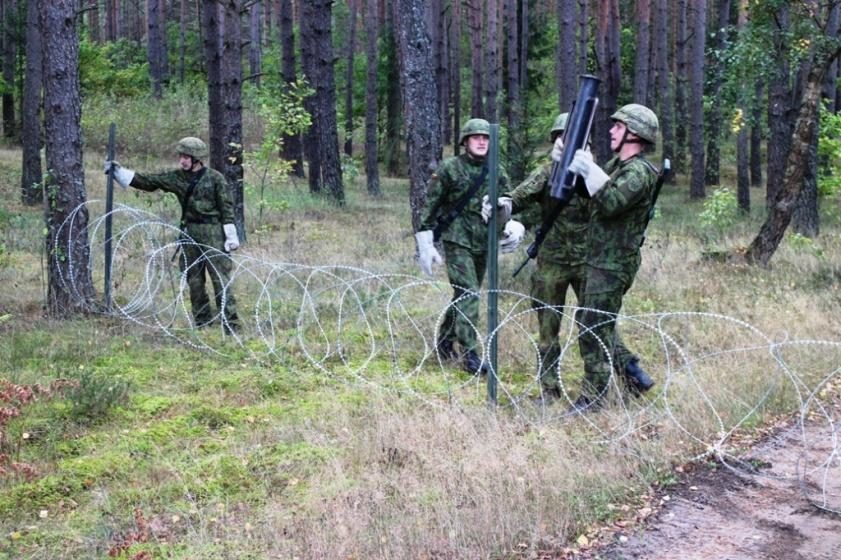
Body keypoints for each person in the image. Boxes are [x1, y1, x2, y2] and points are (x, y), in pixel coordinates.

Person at [488, 114, 653, 404]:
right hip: (553, 262)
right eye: (562, 137)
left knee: (596, 323)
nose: (569, 142)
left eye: (577, 138)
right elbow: (520, 196)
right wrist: (504, 208)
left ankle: (627, 370)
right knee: (549, 329)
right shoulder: (547, 172)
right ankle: (550, 388)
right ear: (555, 141)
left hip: (590, 260)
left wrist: (585, 172)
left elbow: (611, 199)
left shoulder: (598, 172)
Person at [566, 103, 660, 411]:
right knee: (597, 322)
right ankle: (633, 374)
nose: (611, 130)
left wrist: (591, 169)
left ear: (634, 134)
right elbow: (590, 197)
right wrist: (570, 166)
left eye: (618, 127)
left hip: (614, 263)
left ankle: (594, 397)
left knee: (592, 325)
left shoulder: (639, 172)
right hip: (599, 259)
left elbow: (610, 202)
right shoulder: (619, 166)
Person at [415, 118, 525, 375]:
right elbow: (431, 205)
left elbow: (510, 202)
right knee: (469, 294)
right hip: (457, 240)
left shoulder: (497, 171)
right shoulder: (450, 169)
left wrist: (513, 225)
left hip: (484, 242)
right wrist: (425, 241)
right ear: (465, 141)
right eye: (475, 137)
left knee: (464, 294)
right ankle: (470, 353)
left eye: (485, 138)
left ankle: (444, 339)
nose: (481, 141)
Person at [105, 137, 241, 334]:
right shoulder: (177, 177)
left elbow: (226, 207)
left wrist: (230, 234)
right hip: (190, 232)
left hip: (213, 232)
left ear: (197, 159)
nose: (182, 161)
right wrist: (119, 172)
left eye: (186, 157)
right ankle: (203, 322)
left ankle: (230, 325)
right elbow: (149, 182)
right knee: (194, 280)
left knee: (220, 279)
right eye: (181, 156)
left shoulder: (215, 178)